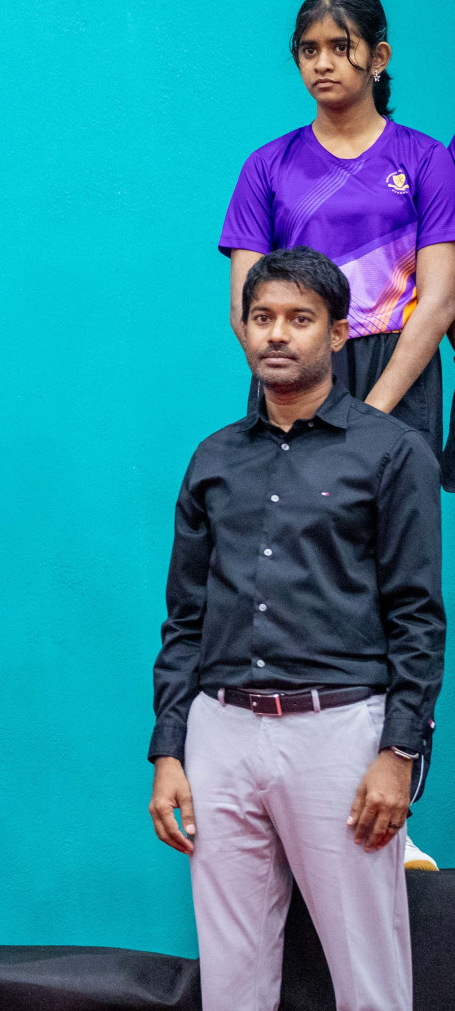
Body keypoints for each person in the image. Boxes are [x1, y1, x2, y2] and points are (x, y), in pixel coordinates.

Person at [147, 247, 443, 1011]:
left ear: (339, 334)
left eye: (299, 320)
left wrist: (399, 753)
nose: (278, 335)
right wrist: (171, 749)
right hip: (220, 733)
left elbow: (418, 616)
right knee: (233, 977)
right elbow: (184, 619)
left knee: (369, 977)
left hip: (341, 732)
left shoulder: (393, 453)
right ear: (243, 329)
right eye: (262, 318)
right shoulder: (213, 459)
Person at [220, 0, 455, 465]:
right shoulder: (266, 166)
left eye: (341, 47)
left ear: (378, 57)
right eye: (310, 49)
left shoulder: (426, 159)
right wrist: (296, 392)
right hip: (300, 368)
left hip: (400, 370)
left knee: (395, 532)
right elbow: (245, 306)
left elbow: (440, 302)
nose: (322, 63)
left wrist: (369, 415)